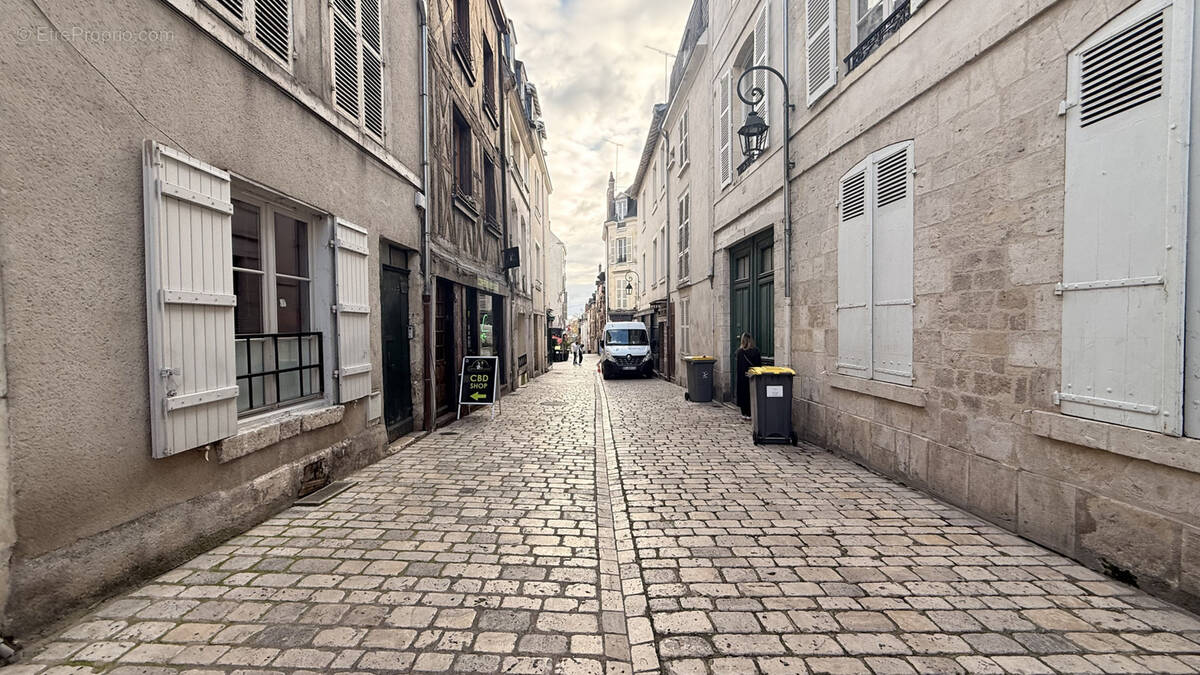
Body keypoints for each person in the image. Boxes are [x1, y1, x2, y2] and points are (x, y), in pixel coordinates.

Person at [735, 332, 762, 420]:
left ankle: (744, 413)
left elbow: (738, 366)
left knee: (743, 394)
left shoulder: (739, 352)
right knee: (751, 394)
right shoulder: (756, 351)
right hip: (752, 376)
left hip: (742, 377)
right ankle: (751, 413)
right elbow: (759, 366)